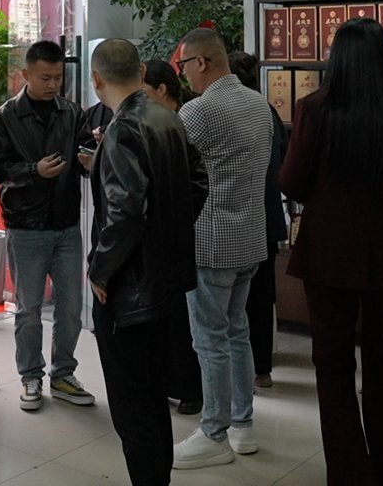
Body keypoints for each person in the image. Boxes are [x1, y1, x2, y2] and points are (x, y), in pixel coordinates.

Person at [281, 18, 383, 485]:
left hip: (328, 249)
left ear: (337, 58)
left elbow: (292, 181)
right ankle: (381, 469)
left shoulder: (314, 108)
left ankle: (348, 472)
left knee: (332, 363)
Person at [87, 38, 209, 486]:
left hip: (130, 289)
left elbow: (124, 214)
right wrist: (168, 229)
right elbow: (198, 182)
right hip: (166, 279)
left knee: (133, 407)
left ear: (96, 79)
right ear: (141, 72)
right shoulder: (167, 116)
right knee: (154, 395)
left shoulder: (123, 129)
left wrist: (101, 271)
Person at [173, 27, 274, 469]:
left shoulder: (198, 111)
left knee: (209, 340)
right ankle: (242, 424)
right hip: (250, 236)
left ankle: (214, 431)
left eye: (183, 66)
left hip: (210, 240)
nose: (183, 75)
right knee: (237, 332)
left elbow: (172, 168)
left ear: (200, 62)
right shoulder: (259, 104)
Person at [0, 39, 98, 411]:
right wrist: (34, 171)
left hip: (66, 223)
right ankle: (30, 375)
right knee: (29, 308)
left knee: (71, 306)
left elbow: (85, 152)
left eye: (58, 78)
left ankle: (63, 374)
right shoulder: (5, 117)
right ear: (26, 75)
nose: (53, 85)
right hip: (26, 226)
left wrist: (90, 158)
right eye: (45, 78)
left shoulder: (72, 112)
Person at [226, 50, 291, 390]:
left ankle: (235, 366)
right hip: (265, 216)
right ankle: (261, 368)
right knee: (261, 296)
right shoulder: (266, 111)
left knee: (231, 298)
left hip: (233, 218)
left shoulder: (224, 111)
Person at [143, 59, 204, 416]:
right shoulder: (159, 122)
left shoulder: (179, 122)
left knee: (183, 319)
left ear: (161, 89)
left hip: (181, 234)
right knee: (169, 317)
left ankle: (190, 389)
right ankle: (172, 384)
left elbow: (195, 181)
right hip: (172, 233)